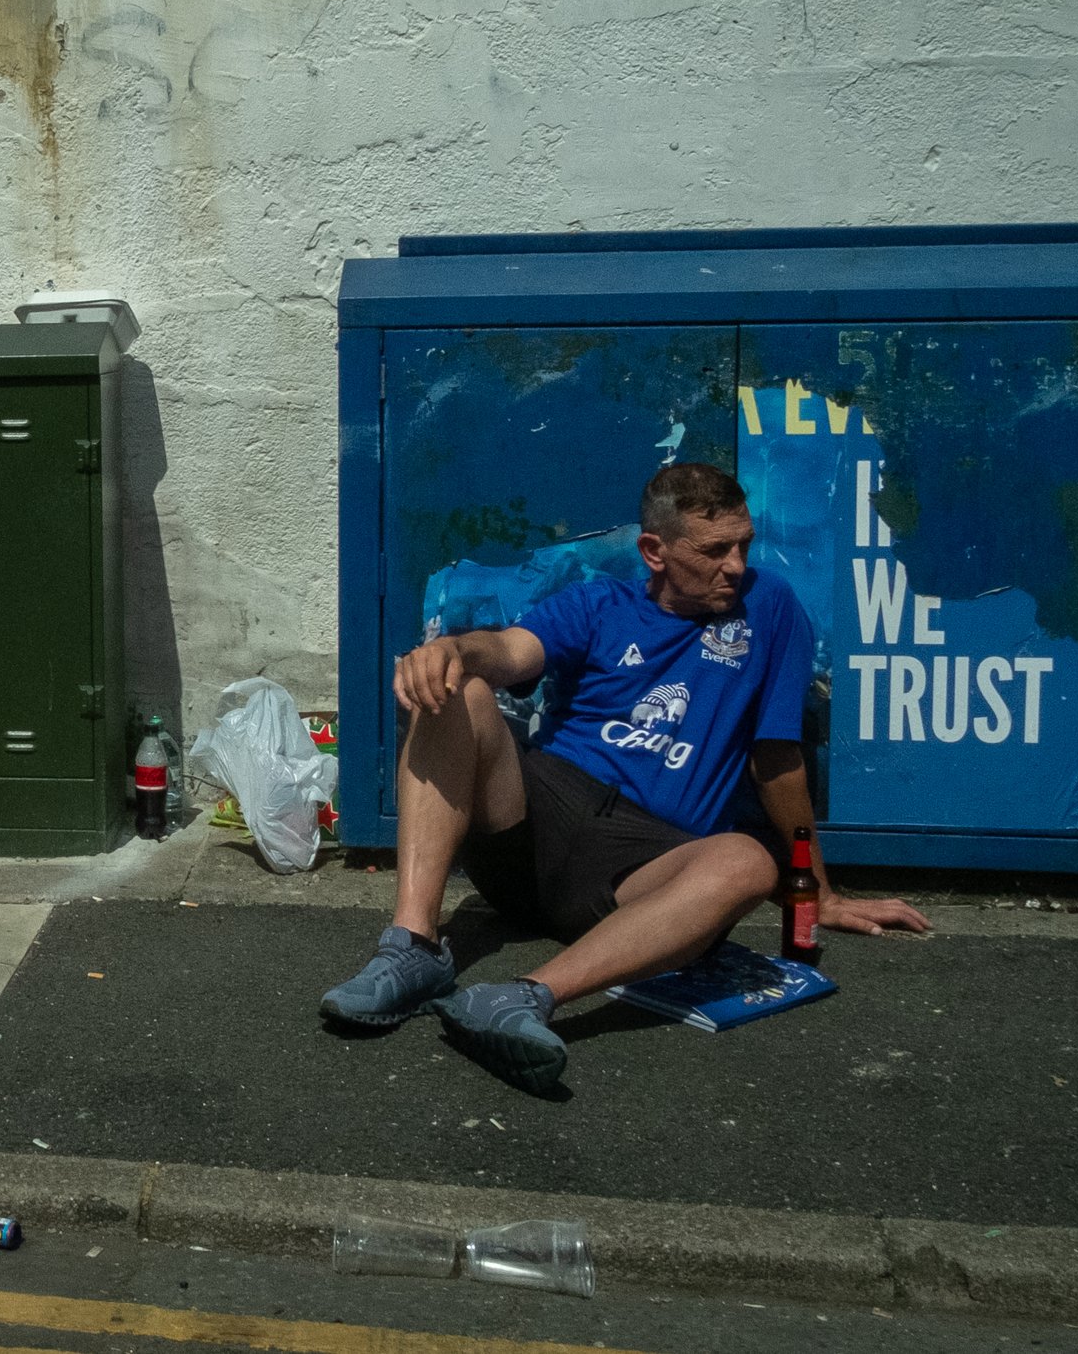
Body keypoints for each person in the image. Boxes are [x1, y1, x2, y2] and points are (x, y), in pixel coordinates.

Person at [320, 462, 928, 1095]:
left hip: (641, 862)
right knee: (459, 688)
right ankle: (414, 945)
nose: (736, 564)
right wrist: (454, 650)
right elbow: (507, 653)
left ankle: (522, 999)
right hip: (537, 816)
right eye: (715, 549)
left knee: (750, 863)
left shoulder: (770, 610)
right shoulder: (598, 602)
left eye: (744, 544)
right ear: (654, 552)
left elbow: (776, 759)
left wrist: (818, 893)